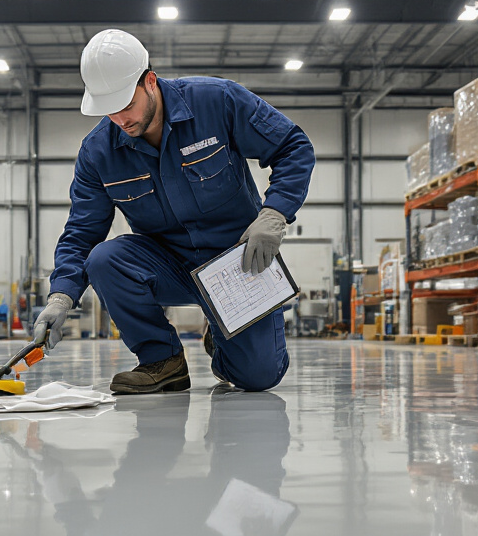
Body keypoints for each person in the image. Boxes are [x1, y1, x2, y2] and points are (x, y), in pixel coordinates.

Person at [33, 29, 314, 394]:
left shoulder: (216, 101)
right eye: (108, 109)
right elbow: (82, 232)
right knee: (104, 258)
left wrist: (274, 214)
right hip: (169, 265)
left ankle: (223, 334)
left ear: (150, 81)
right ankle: (161, 361)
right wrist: (61, 296)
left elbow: (293, 146)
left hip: (237, 264)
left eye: (125, 104)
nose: (119, 119)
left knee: (258, 378)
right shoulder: (98, 152)